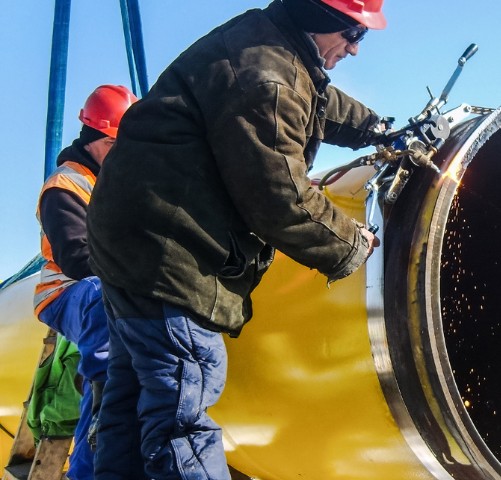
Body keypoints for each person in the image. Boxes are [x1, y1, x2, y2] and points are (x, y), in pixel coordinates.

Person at [86, 0, 386, 479]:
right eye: (354, 34)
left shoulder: (267, 43)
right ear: (322, 20)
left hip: (131, 250)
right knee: (180, 420)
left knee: (130, 406)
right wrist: (354, 243)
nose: (353, 49)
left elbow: (317, 101)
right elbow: (281, 200)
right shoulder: (268, 78)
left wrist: (378, 128)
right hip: (171, 259)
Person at [33, 84, 137, 480]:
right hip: (66, 292)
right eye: (118, 145)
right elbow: (77, 259)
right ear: (98, 138)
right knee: (101, 298)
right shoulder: (66, 185)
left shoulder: (121, 182)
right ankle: (104, 420)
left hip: (115, 285)